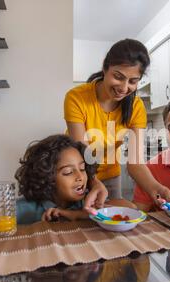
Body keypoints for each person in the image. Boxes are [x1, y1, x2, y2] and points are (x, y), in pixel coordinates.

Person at [0, 134, 135, 230]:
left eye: (83, 169)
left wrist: (75, 215)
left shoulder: (85, 204)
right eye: (68, 172)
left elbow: (130, 207)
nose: (80, 177)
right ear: (46, 177)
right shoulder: (26, 208)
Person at [64, 39, 151, 200]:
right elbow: (83, 153)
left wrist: (159, 190)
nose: (124, 88)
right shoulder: (76, 98)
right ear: (105, 68)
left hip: (111, 176)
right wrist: (93, 182)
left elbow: (135, 163)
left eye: (133, 81)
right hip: (77, 174)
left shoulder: (136, 107)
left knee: (113, 219)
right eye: (118, 77)